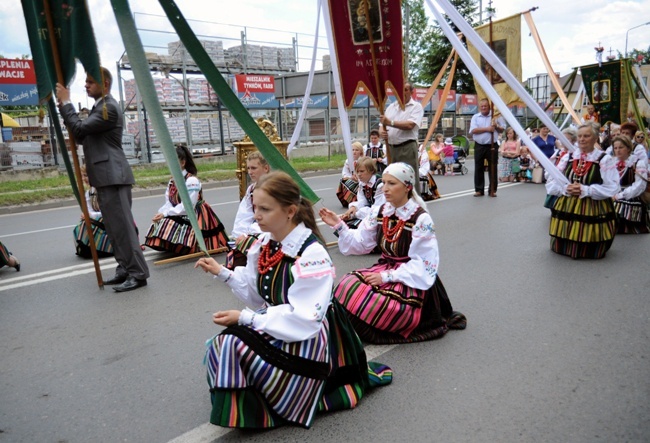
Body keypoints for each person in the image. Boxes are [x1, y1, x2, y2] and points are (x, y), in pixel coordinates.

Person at [194, 171, 392, 429]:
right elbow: (257, 296)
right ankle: (260, 398)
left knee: (231, 344)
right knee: (223, 344)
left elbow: (305, 319)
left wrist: (245, 318)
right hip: (278, 322)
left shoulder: (311, 254)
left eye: (265, 209)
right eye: (255, 207)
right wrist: (222, 273)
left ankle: (275, 404)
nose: (257, 215)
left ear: (289, 212)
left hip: (309, 334)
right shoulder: (264, 243)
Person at [319, 163, 466, 344]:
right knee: (346, 284)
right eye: (384, 183)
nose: (385, 189)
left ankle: (369, 326)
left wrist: (387, 277)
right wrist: (338, 225)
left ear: (407, 187)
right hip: (385, 268)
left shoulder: (420, 218)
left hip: (410, 278)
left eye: (391, 184)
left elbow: (424, 264)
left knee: (375, 302)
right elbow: (361, 242)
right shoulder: (381, 212)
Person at [56, 67, 149, 292]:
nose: (86, 85)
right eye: (86, 81)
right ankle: (124, 268)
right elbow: (79, 135)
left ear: (105, 84)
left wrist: (67, 104)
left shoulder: (108, 108)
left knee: (123, 228)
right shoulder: (100, 107)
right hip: (105, 176)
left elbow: (78, 127)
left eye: (90, 81)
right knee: (114, 229)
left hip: (113, 175)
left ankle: (138, 273)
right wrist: (63, 106)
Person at [546, 124, 619, 259]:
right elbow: (552, 179)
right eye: (580, 136)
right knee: (566, 228)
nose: (582, 139)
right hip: (568, 202)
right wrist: (565, 188)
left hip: (593, 205)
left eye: (586, 136)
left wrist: (586, 190)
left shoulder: (604, 159)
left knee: (588, 232)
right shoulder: (569, 156)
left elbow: (613, 186)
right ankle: (565, 247)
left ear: (596, 138)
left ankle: (589, 250)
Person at [144, 145, 228, 255]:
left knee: (166, 223)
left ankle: (185, 245)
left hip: (195, 214)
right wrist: (161, 213)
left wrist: (166, 214)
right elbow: (169, 202)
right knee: (159, 221)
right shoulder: (172, 181)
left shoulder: (191, 180)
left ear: (182, 162)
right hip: (181, 212)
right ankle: (175, 245)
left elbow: (188, 206)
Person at [226, 151, 270, 269]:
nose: (250, 172)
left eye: (254, 168)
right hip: (257, 230)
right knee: (233, 258)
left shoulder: (273, 189)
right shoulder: (251, 189)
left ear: (266, 168)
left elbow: (268, 219)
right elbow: (244, 215)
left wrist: (247, 235)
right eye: (248, 168)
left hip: (272, 231)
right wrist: (239, 235)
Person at [379, 82, 424, 184]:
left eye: (405, 90)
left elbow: (410, 125)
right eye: (399, 90)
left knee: (409, 179)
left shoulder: (416, 107)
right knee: (393, 178)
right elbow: (381, 125)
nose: (402, 93)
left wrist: (390, 123)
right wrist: (382, 132)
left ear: (412, 92)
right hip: (391, 148)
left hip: (406, 148)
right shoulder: (391, 107)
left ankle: (412, 199)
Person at [611, 136, 650, 234]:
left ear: (628, 148)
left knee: (617, 205)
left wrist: (620, 195)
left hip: (632, 196)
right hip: (614, 194)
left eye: (621, 147)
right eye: (615, 148)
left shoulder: (637, 163)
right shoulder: (611, 162)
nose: (618, 151)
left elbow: (639, 186)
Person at [73, 166, 114, 258]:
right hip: (98, 220)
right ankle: (89, 247)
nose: (84, 179)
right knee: (81, 225)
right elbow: (89, 210)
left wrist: (90, 215)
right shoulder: (88, 193)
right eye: (82, 176)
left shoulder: (105, 191)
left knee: (86, 225)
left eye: (86, 175)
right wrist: (86, 214)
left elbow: (109, 211)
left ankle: (104, 247)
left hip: (110, 220)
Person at [469, 99, 505, 197]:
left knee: (492, 168)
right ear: (479, 107)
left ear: (489, 107)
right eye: (482, 106)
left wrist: (496, 126)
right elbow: (473, 130)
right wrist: (487, 129)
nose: (484, 108)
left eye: (486, 106)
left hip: (492, 145)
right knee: (478, 167)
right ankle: (479, 190)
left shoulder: (496, 116)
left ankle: (492, 190)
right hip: (479, 145)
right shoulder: (475, 117)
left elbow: (502, 129)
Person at [341, 156, 384, 229]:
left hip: (381, 215)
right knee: (345, 224)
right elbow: (362, 201)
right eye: (357, 171)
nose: (359, 174)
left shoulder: (379, 184)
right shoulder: (362, 183)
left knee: (355, 225)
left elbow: (377, 209)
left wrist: (356, 214)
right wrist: (354, 208)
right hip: (371, 212)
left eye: (362, 171)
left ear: (371, 171)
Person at [544, 127, 577, 209]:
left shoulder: (575, 153)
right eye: (563, 138)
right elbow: (551, 163)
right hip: (556, 179)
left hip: (566, 179)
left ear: (573, 140)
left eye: (567, 139)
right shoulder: (559, 152)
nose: (564, 141)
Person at [335, 141, 363, 208]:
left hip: (361, 181)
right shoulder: (348, 161)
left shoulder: (363, 161)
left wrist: (358, 178)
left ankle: (358, 201)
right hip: (353, 180)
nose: (354, 152)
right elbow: (344, 172)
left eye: (356, 150)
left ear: (361, 152)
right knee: (343, 181)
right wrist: (350, 177)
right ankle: (348, 200)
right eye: (353, 150)